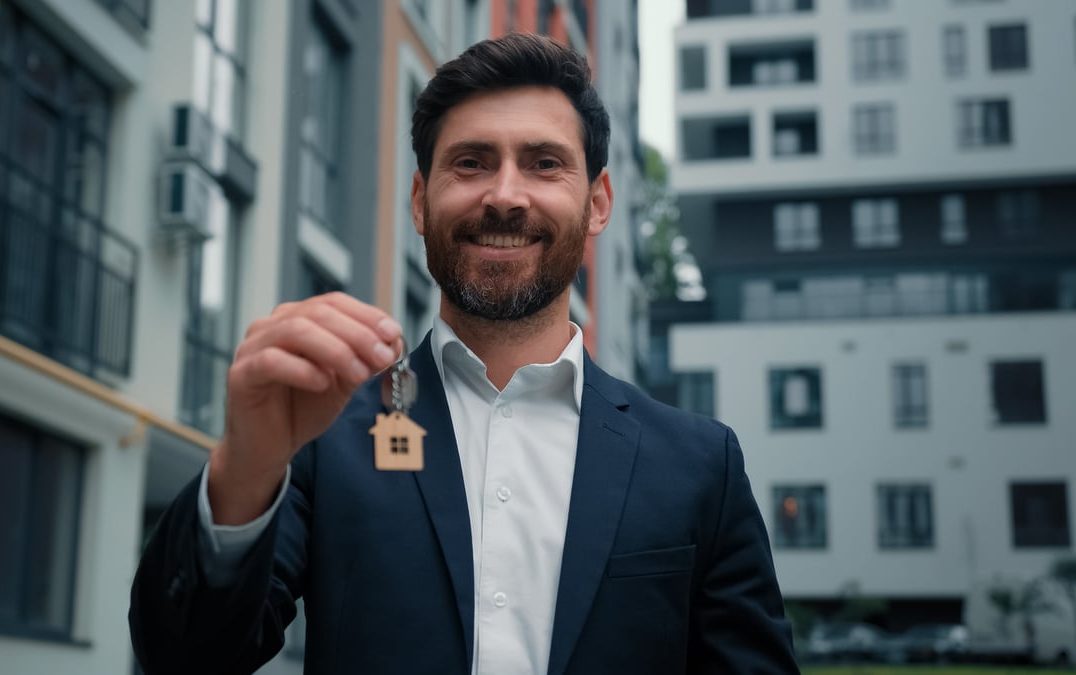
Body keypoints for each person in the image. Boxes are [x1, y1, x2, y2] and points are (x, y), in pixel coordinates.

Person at [129, 33, 798, 675]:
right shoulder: (322, 432)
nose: (504, 196)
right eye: (471, 162)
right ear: (421, 201)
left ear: (597, 204)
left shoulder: (701, 465)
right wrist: (246, 462)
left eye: (543, 163)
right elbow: (186, 660)